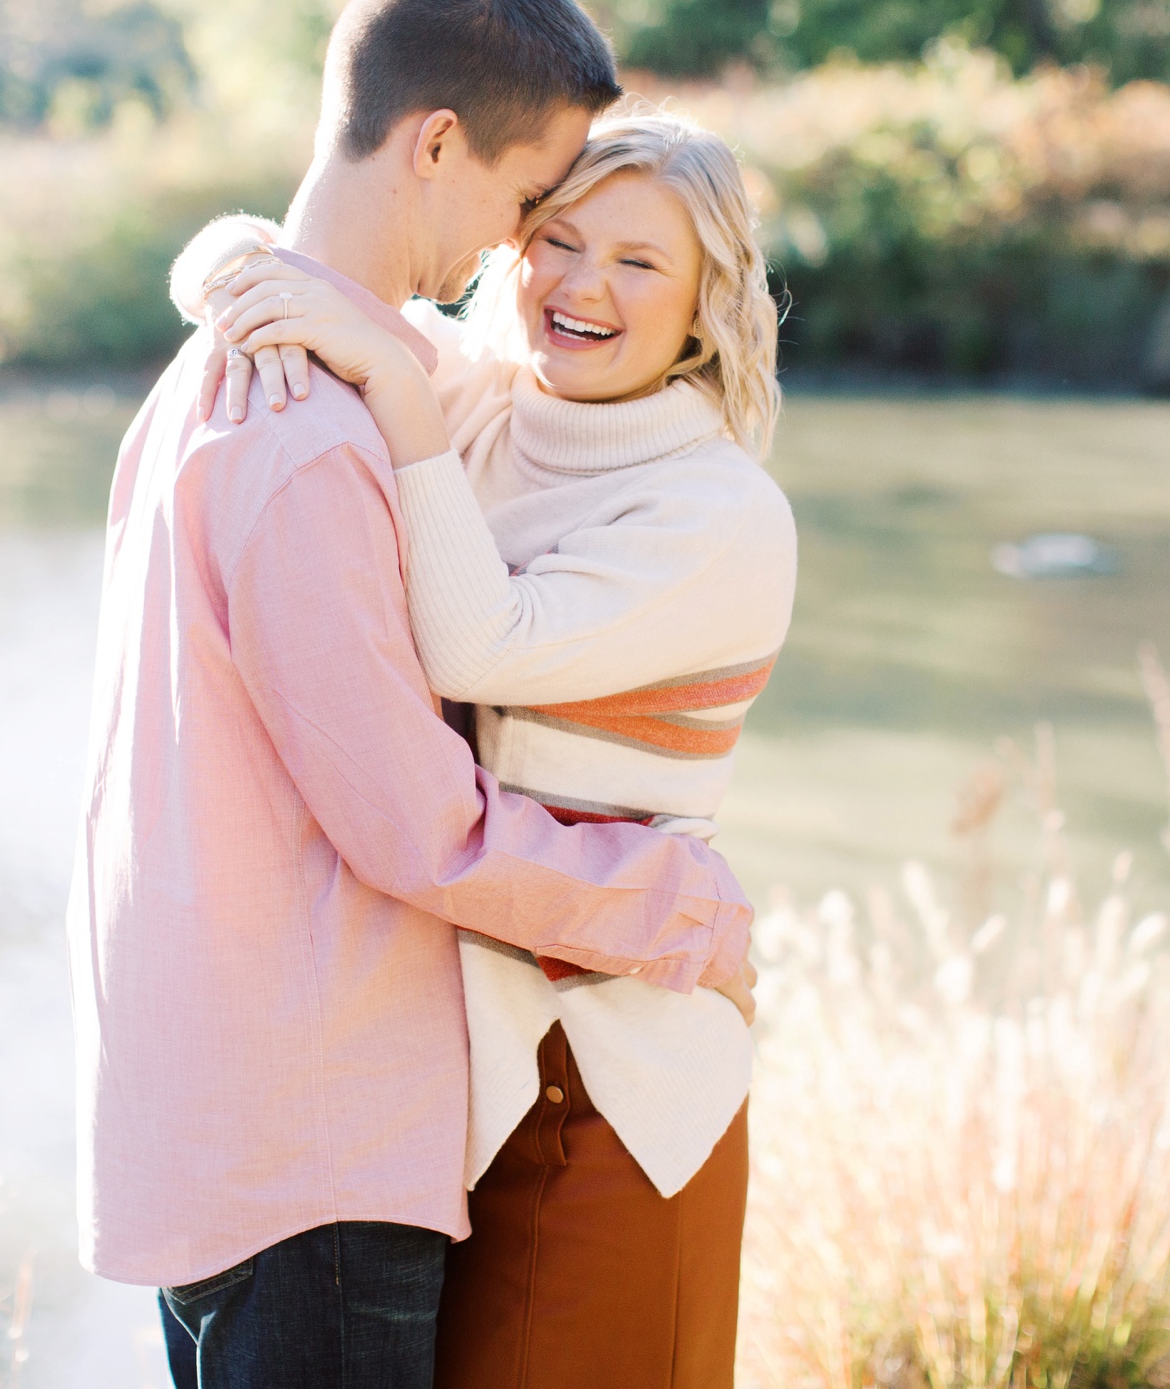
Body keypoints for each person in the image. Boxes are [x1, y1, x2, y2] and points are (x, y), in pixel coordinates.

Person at [69, 0, 759, 1389]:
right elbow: (415, 825)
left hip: (200, 1125)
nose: (524, 254)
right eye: (528, 205)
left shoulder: (217, 368)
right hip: (311, 1145)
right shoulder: (317, 430)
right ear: (436, 141)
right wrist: (677, 904)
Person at [189, 111, 796, 1387]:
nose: (582, 284)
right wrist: (241, 302)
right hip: (462, 1087)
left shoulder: (716, 513)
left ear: (703, 303)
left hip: (616, 1085)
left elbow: (479, 647)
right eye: (556, 238)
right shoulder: (491, 397)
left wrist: (395, 388)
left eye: (638, 261)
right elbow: (241, 250)